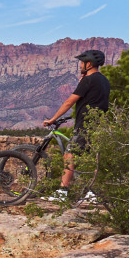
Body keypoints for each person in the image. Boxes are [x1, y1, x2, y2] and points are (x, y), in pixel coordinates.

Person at [45, 49, 110, 188]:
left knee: (69, 155)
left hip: (85, 125)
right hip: (99, 124)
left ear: (89, 64)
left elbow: (69, 101)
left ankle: (63, 191)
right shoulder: (104, 80)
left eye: (82, 62)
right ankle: (92, 192)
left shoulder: (88, 80)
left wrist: (52, 119)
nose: (80, 65)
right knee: (92, 159)